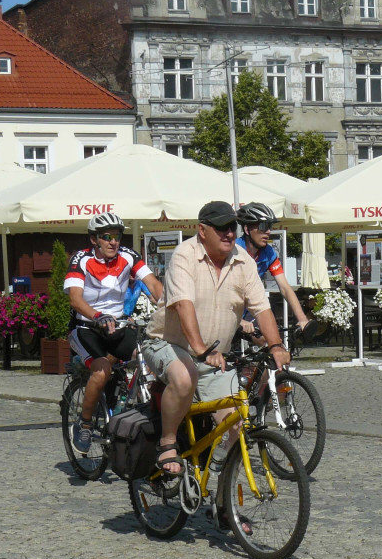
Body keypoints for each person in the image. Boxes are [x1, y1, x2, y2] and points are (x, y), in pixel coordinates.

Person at [143, 201, 290, 484]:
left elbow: (262, 308)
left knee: (235, 422)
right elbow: (184, 305)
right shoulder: (185, 256)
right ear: (202, 231)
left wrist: (276, 346)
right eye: (221, 228)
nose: (229, 234)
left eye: (232, 228)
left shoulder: (243, 261)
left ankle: (222, 498)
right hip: (167, 344)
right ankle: (167, 444)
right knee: (185, 376)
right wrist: (199, 348)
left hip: (215, 357)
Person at [64, 212, 162, 456]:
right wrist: (97, 316)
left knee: (151, 360)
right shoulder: (81, 259)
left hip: (117, 327)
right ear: (94, 239)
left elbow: (153, 285)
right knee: (101, 371)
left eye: (117, 236)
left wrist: (172, 306)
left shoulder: (128, 256)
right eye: (106, 237)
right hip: (86, 328)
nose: (113, 242)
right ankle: (85, 424)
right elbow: (75, 299)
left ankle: (147, 415)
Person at [233, 202, 313, 339]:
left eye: (270, 226)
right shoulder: (234, 251)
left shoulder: (269, 253)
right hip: (225, 311)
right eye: (263, 226)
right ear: (247, 230)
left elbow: (285, 288)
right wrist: (236, 320)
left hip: (247, 310)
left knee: (269, 342)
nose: (268, 231)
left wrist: (302, 319)